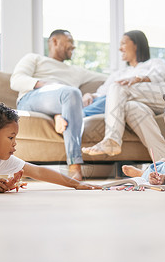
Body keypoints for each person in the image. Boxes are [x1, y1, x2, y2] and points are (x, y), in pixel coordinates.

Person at [10, 29, 107, 181]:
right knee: (72, 93)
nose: (73, 47)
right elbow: (16, 80)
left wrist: (92, 95)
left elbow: (109, 79)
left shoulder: (76, 71)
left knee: (108, 99)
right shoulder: (34, 58)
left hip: (68, 102)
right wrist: (46, 85)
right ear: (55, 41)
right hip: (32, 99)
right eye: (70, 41)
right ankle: (74, 164)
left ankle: (62, 115)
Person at [81, 30, 165, 160]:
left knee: (118, 86)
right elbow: (102, 93)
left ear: (136, 45)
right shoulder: (119, 74)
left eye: (123, 43)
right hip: (138, 103)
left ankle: (112, 140)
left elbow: (160, 74)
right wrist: (89, 94)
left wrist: (139, 78)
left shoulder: (153, 63)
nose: (120, 48)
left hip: (164, 98)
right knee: (131, 107)